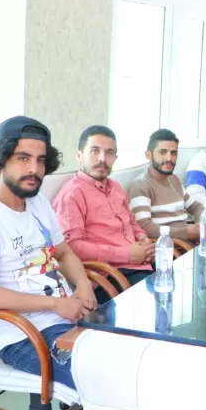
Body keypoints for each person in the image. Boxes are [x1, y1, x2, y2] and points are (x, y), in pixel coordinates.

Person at [0, 116, 96, 390]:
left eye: (40, 161)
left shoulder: (37, 203)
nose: (34, 169)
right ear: (1, 159)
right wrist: (56, 305)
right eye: (23, 158)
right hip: (24, 336)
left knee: (132, 357)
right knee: (104, 378)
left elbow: (63, 253)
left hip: (68, 317)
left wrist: (83, 284)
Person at [53, 125, 154, 302]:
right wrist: (126, 254)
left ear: (115, 157)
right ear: (79, 155)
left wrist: (143, 239)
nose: (102, 158)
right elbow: (72, 247)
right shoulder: (72, 195)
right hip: (109, 277)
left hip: (139, 265)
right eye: (94, 151)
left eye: (109, 153)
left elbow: (130, 222)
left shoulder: (116, 187)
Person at [127, 129, 204, 242]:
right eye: (163, 152)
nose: (169, 158)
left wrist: (202, 223)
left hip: (190, 245)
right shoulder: (140, 185)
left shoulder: (174, 179)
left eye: (173, 153)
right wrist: (186, 232)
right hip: (169, 251)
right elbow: (144, 227)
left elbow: (196, 207)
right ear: (148, 155)